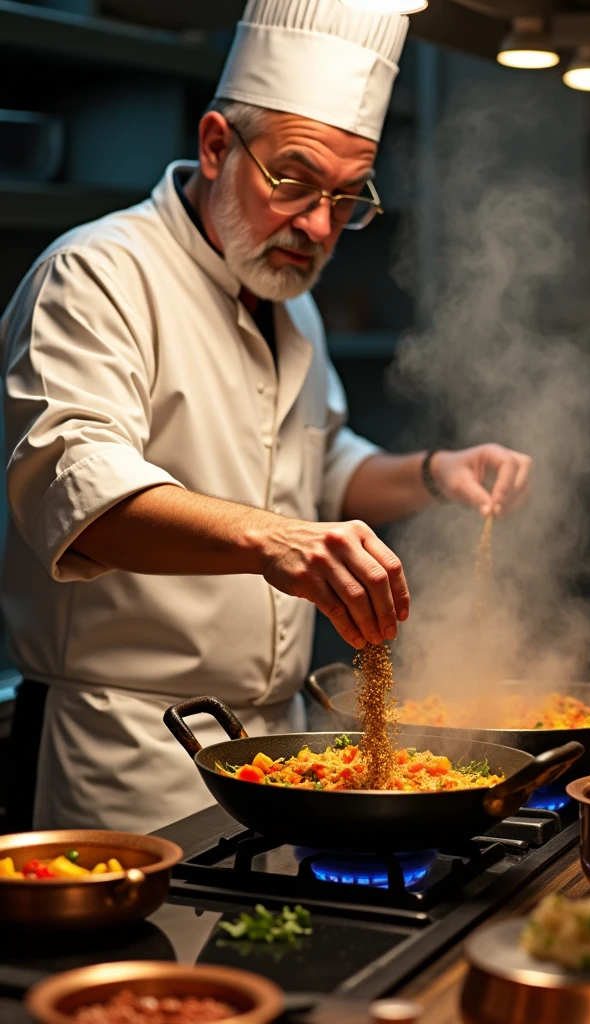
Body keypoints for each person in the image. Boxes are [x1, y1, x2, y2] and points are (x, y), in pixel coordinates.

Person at [0, 0, 532, 834]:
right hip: (122, 752)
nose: (319, 226)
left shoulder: (289, 302)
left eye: (349, 199)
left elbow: (320, 467)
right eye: (294, 181)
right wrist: (279, 541)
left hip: (274, 752)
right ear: (216, 145)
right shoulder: (95, 276)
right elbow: (79, 496)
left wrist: (436, 473)